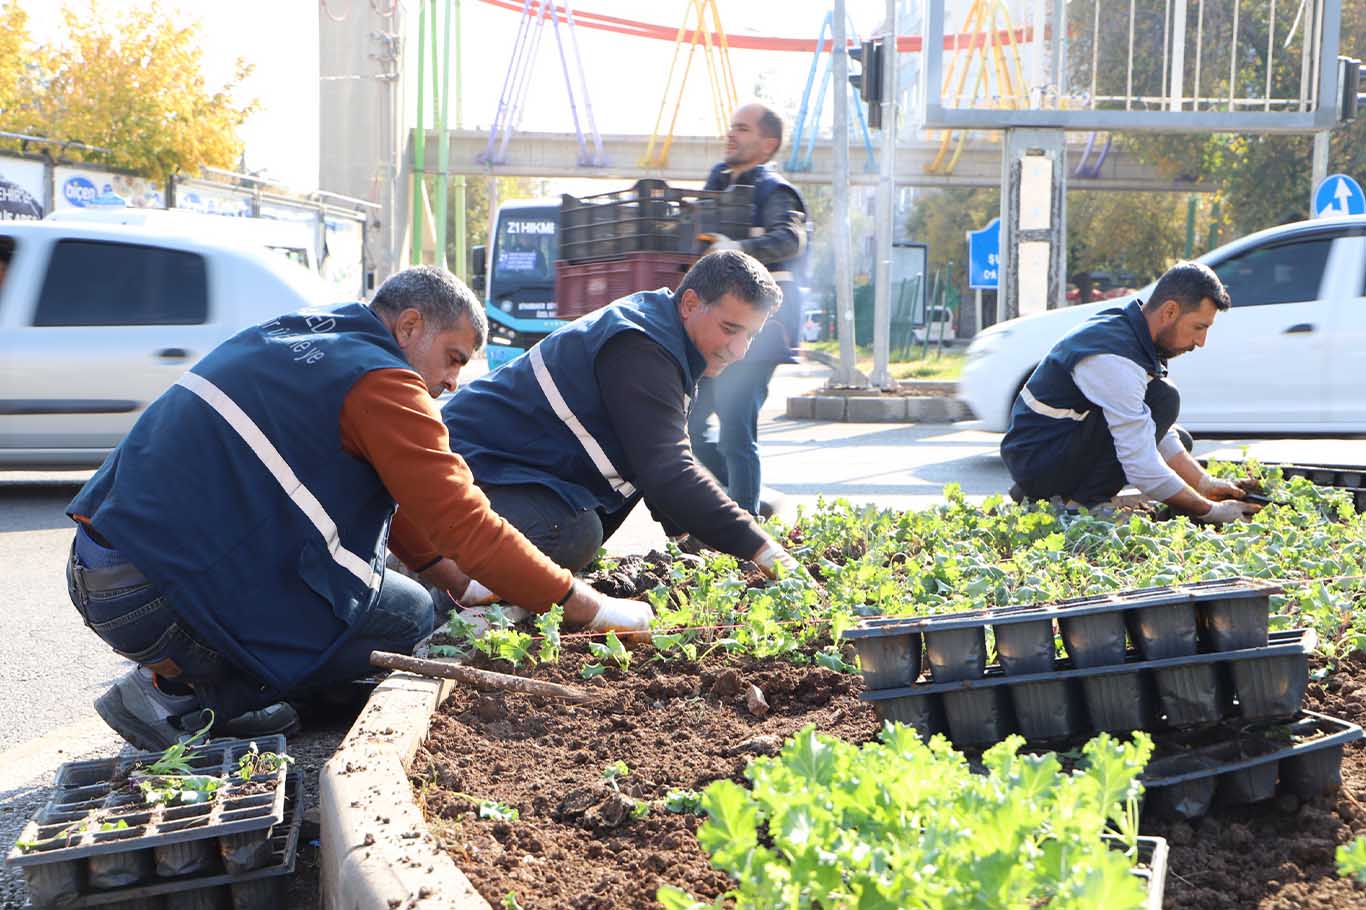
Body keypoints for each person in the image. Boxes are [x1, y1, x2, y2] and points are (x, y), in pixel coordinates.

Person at [65, 266, 652, 752]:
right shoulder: (383, 382)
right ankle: (179, 696)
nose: (451, 382)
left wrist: (454, 580)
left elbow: (388, 501)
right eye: (452, 357)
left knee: (402, 597)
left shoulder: (302, 334)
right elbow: (464, 520)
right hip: (153, 598)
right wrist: (590, 606)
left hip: (104, 568)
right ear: (410, 326)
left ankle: (200, 678)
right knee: (407, 618)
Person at [423, 251, 802, 596]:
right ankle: (436, 583)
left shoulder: (663, 332)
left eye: (750, 334)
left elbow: (649, 458)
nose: (740, 350)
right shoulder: (641, 346)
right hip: (461, 469)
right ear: (690, 304)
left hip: (507, 470)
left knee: (585, 522)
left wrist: (691, 539)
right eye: (730, 329)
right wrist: (763, 550)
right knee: (570, 534)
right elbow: (668, 471)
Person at [1000, 261, 1260, 523]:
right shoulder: (1114, 357)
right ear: (1170, 311)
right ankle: (1078, 508)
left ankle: (1050, 495)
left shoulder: (1133, 331)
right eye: (1199, 327)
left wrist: (1204, 484)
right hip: (1039, 460)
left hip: (1051, 451)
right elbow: (1141, 466)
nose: (1201, 342)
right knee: (1164, 399)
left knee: (1177, 435)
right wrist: (1210, 511)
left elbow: (1154, 428)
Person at [687, 102, 808, 516]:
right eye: (732, 127)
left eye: (743, 128)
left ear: (767, 143)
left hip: (761, 329)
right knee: (689, 427)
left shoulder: (773, 190)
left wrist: (737, 249)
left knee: (736, 431)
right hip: (713, 328)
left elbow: (790, 239)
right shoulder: (717, 185)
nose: (732, 134)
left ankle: (746, 527)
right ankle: (747, 502)